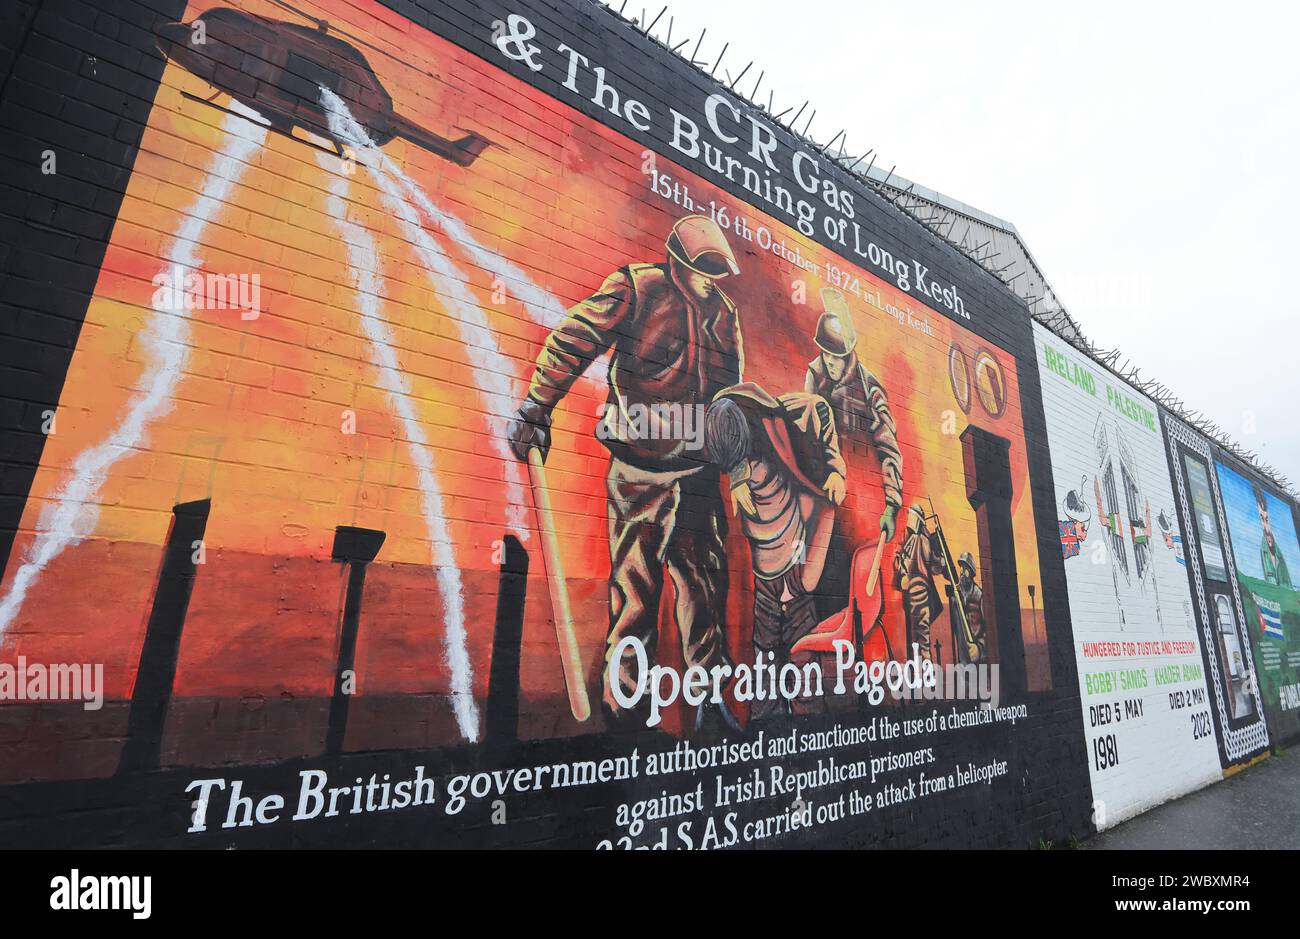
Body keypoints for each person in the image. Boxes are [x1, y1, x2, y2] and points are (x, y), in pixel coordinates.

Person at [507, 215, 743, 733]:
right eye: (703, 267)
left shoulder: (724, 314)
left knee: (705, 589)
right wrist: (536, 408)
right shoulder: (638, 287)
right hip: (641, 469)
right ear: (678, 260)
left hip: (699, 473)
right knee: (636, 589)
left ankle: (709, 701)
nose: (711, 277)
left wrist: (735, 452)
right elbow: (575, 338)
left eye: (716, 268)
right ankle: (627, 708)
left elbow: (730, 398)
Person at [703, 383, 846, 720]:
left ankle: (809, 725)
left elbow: (821, 411)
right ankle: (766, 725)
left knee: (802, 663)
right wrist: (737, 474)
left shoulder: (787, 416)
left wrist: (836, 470)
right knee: (764, 662)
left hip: (796, 570)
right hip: (766, 578)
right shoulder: (724, 423)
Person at [804, 288, 903, 615]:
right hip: (820, 497)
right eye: (825, 354)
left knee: (852, 591)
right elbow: (805, 430)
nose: (829, 362)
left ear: (848, 353)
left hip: (857, 509)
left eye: (835, 355)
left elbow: (889, 447)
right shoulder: (815, 374)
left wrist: (892, 504)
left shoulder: (870, 388)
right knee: (814, 583)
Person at [893, 504, 944, 662]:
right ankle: (923, 670)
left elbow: (903, 565)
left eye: (911, 516)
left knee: (919, 637)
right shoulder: (919, 540)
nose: (909, 520)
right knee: (922, 637)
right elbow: (936, 567)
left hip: (916, 594)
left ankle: (924, 672)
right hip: (919, 594)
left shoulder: (917, 540)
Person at [1256, 488, 1292, 588]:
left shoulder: (1277, 550)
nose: (1266, 526)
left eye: (1266, 519)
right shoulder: (1263, 547)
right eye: (1262, 519)